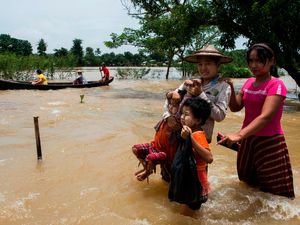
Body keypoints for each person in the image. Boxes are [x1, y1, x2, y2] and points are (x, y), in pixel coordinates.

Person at [218, 43, 295, 198]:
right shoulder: (248, 83)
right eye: (251, 61)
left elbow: (265, 117)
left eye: (259, 61)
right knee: (248, 186)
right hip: (249, 141)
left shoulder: (277, 84)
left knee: (276, 194)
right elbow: (235, 107)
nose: (254, 65)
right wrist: (231, 89)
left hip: (270, 143)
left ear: (271, 61)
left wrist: (239, 135)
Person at [163, 44, 233, 144]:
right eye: (200, 64)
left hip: (199, 139)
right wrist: (167, 117)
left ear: (217, 65)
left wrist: (201, 94)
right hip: (177, 134)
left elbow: (219, 116)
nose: (203, 68)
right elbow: (169, 99)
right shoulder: (190, 83)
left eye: (208, 64)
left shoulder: (223, 87)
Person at [132, 91, 183, 182]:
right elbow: (166, 105)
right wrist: (169, 95)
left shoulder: (177, 122)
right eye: (170, 105)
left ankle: (148, 172)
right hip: (155, 146)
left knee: (167, 180)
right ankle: (146, 169)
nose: (170, 107)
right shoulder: (167, 116)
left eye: (174, 106)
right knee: (135, 149)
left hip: (166, 155)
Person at [177, 97, 212, 216]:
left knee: (186, 215)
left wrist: (190, 138)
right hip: (191, 178)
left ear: (197, 120)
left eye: (186, 114)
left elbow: (209, 158)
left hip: (196, 181)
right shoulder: (189, 131)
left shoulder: (197, 135)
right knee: (188, 212)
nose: (182, 116)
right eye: (182, 113)